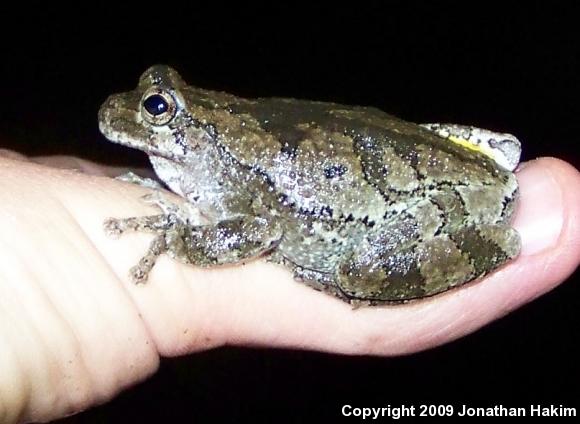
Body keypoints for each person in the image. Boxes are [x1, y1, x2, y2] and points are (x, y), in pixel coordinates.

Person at [0, 151, 578, 423]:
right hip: (412, 157)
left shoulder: (230, 164)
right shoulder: (219, 159)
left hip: (398, 213)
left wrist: (180, 241)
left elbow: (257, 228)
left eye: (155, 110)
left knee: (353, 271)